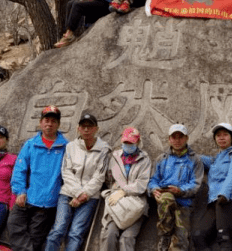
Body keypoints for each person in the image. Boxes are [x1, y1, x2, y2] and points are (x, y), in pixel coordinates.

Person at [45, 114, 111, 251]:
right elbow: (66, 172)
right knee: (58, 230)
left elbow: (99, 176)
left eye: (90, 126)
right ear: (78, 128)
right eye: (83, 126)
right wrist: (78, 193)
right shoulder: (70, 147)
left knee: (76, 233)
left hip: (90, 197)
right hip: (67, 193)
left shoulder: (104, 149)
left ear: (96, 129)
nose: (86, 129)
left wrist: (83, 195)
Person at [8, 105, 69, 251]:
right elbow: (19, 169)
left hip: (47, 204)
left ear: (58, 124)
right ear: (41, 123)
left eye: (53, 121)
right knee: (13, 224)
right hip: (27, 197)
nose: (49, 124)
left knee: (36, 238)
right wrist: (20, 190)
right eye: (46, 120)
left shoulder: (66, 147)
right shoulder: (30, 144)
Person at [147, 124, 205, 251]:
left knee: (181, 243)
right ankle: (165, 234)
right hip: (165, 198)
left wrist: (180, 191)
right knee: (166, 198)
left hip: (184, 203)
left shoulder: (195, 160)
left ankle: (174, 240)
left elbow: (195, 184)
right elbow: (153, 180)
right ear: (169, 139)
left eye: (181, 137)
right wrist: (154, 190)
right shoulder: (161, 159)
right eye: (174, 137)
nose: (177, 140)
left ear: (186, 138)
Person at [192, 123, 232, 251]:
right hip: (213, 201)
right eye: (218, 135)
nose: (221, 138)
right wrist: (184, 150)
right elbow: (197, 158)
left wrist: (225, 194)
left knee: (224, 237)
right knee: (198, 236)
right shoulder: (215, 160)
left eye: (225, 135)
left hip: (228, 199)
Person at [99, 127, 152, 251]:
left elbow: (142, 184)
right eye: (125, 142)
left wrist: (124, 191)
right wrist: (113, 187)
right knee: (109, 234)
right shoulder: (114, 157)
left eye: (131, 143)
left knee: (126, 238)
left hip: (136, 205)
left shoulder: (145, 160)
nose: (128, 145)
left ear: (138, 143)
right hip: (116, 203)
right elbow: (108, 178)